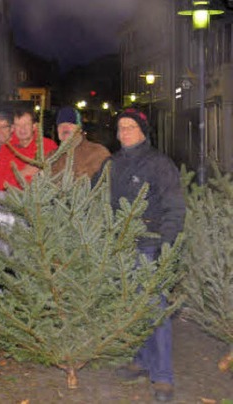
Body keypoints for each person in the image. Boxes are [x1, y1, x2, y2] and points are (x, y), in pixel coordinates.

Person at [109, 109, 185, 402]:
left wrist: (167, 245)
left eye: (130, 127)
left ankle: (163, 377)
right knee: (132, 308)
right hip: (121, 246)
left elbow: (174, 207)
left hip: (150, 245)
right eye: (120, 128)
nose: (124, 132)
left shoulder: (159, 165)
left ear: (143, 131)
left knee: (155, 310)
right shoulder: (113, 164)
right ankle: (140, 361)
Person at [0, 108, 58, 191]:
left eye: (26, 124)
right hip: (12, 199)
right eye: (18, 125)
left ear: (34, 126)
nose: (22, 129)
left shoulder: (48, 146)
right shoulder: (7, 148)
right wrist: (22, 173)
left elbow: (58, 176)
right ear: (13, 128)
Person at [50, 106, 110, 178]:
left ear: (80, 129)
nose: (65, 128)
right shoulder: (52, 156)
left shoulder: (97, 153)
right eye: (60, 125)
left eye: (70, 124)